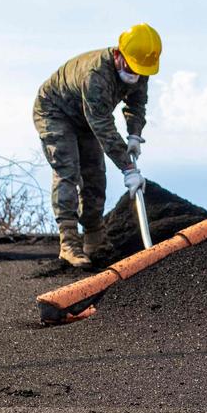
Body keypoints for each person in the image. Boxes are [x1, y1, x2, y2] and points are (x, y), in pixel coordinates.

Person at [33, 23, 161, 268]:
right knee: (68, 171)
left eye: (139, 70)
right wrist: (128, 168)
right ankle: (69, 243)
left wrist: (134, 135)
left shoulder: (140, 68)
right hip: (55, 112)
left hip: (86, 118)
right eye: (130, 67)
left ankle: (94, 239)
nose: (135, 73)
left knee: (95, 175)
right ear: (118, 54)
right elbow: (102, 125)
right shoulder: (96, 75)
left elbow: (136, 104)